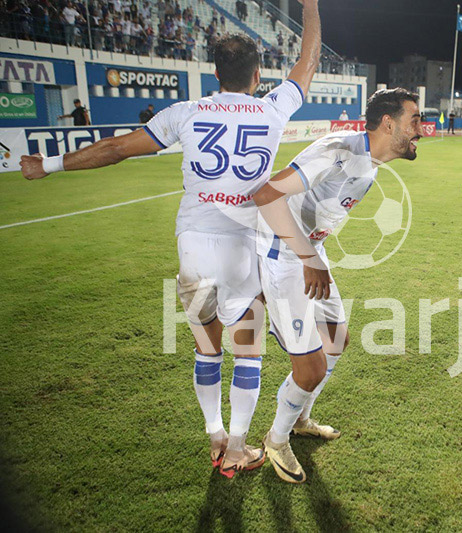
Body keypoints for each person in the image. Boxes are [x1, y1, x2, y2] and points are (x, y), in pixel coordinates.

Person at [20, 0, 322, 479]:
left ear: (215, 73)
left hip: (193, 246)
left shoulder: (185, 112)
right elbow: (307, 62)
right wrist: (309, 8)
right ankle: (240, 447)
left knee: (207, 349)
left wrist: (49, 165)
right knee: (248, 351)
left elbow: (116, 148)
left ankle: (215, 435)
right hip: (242, 248)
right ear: (258, 73)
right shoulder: (272, 108)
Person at [254, 88, 424, 483]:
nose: (422, 130)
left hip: (309, 249)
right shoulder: (339, 151)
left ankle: (300, 419)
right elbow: (266, 195)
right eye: (414, 121)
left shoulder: (370, 163)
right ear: (388, 123)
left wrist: (314, 254)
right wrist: (308, 259)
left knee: (337, 338)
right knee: (310, 368)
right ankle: (276, 439)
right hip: (286, 252)